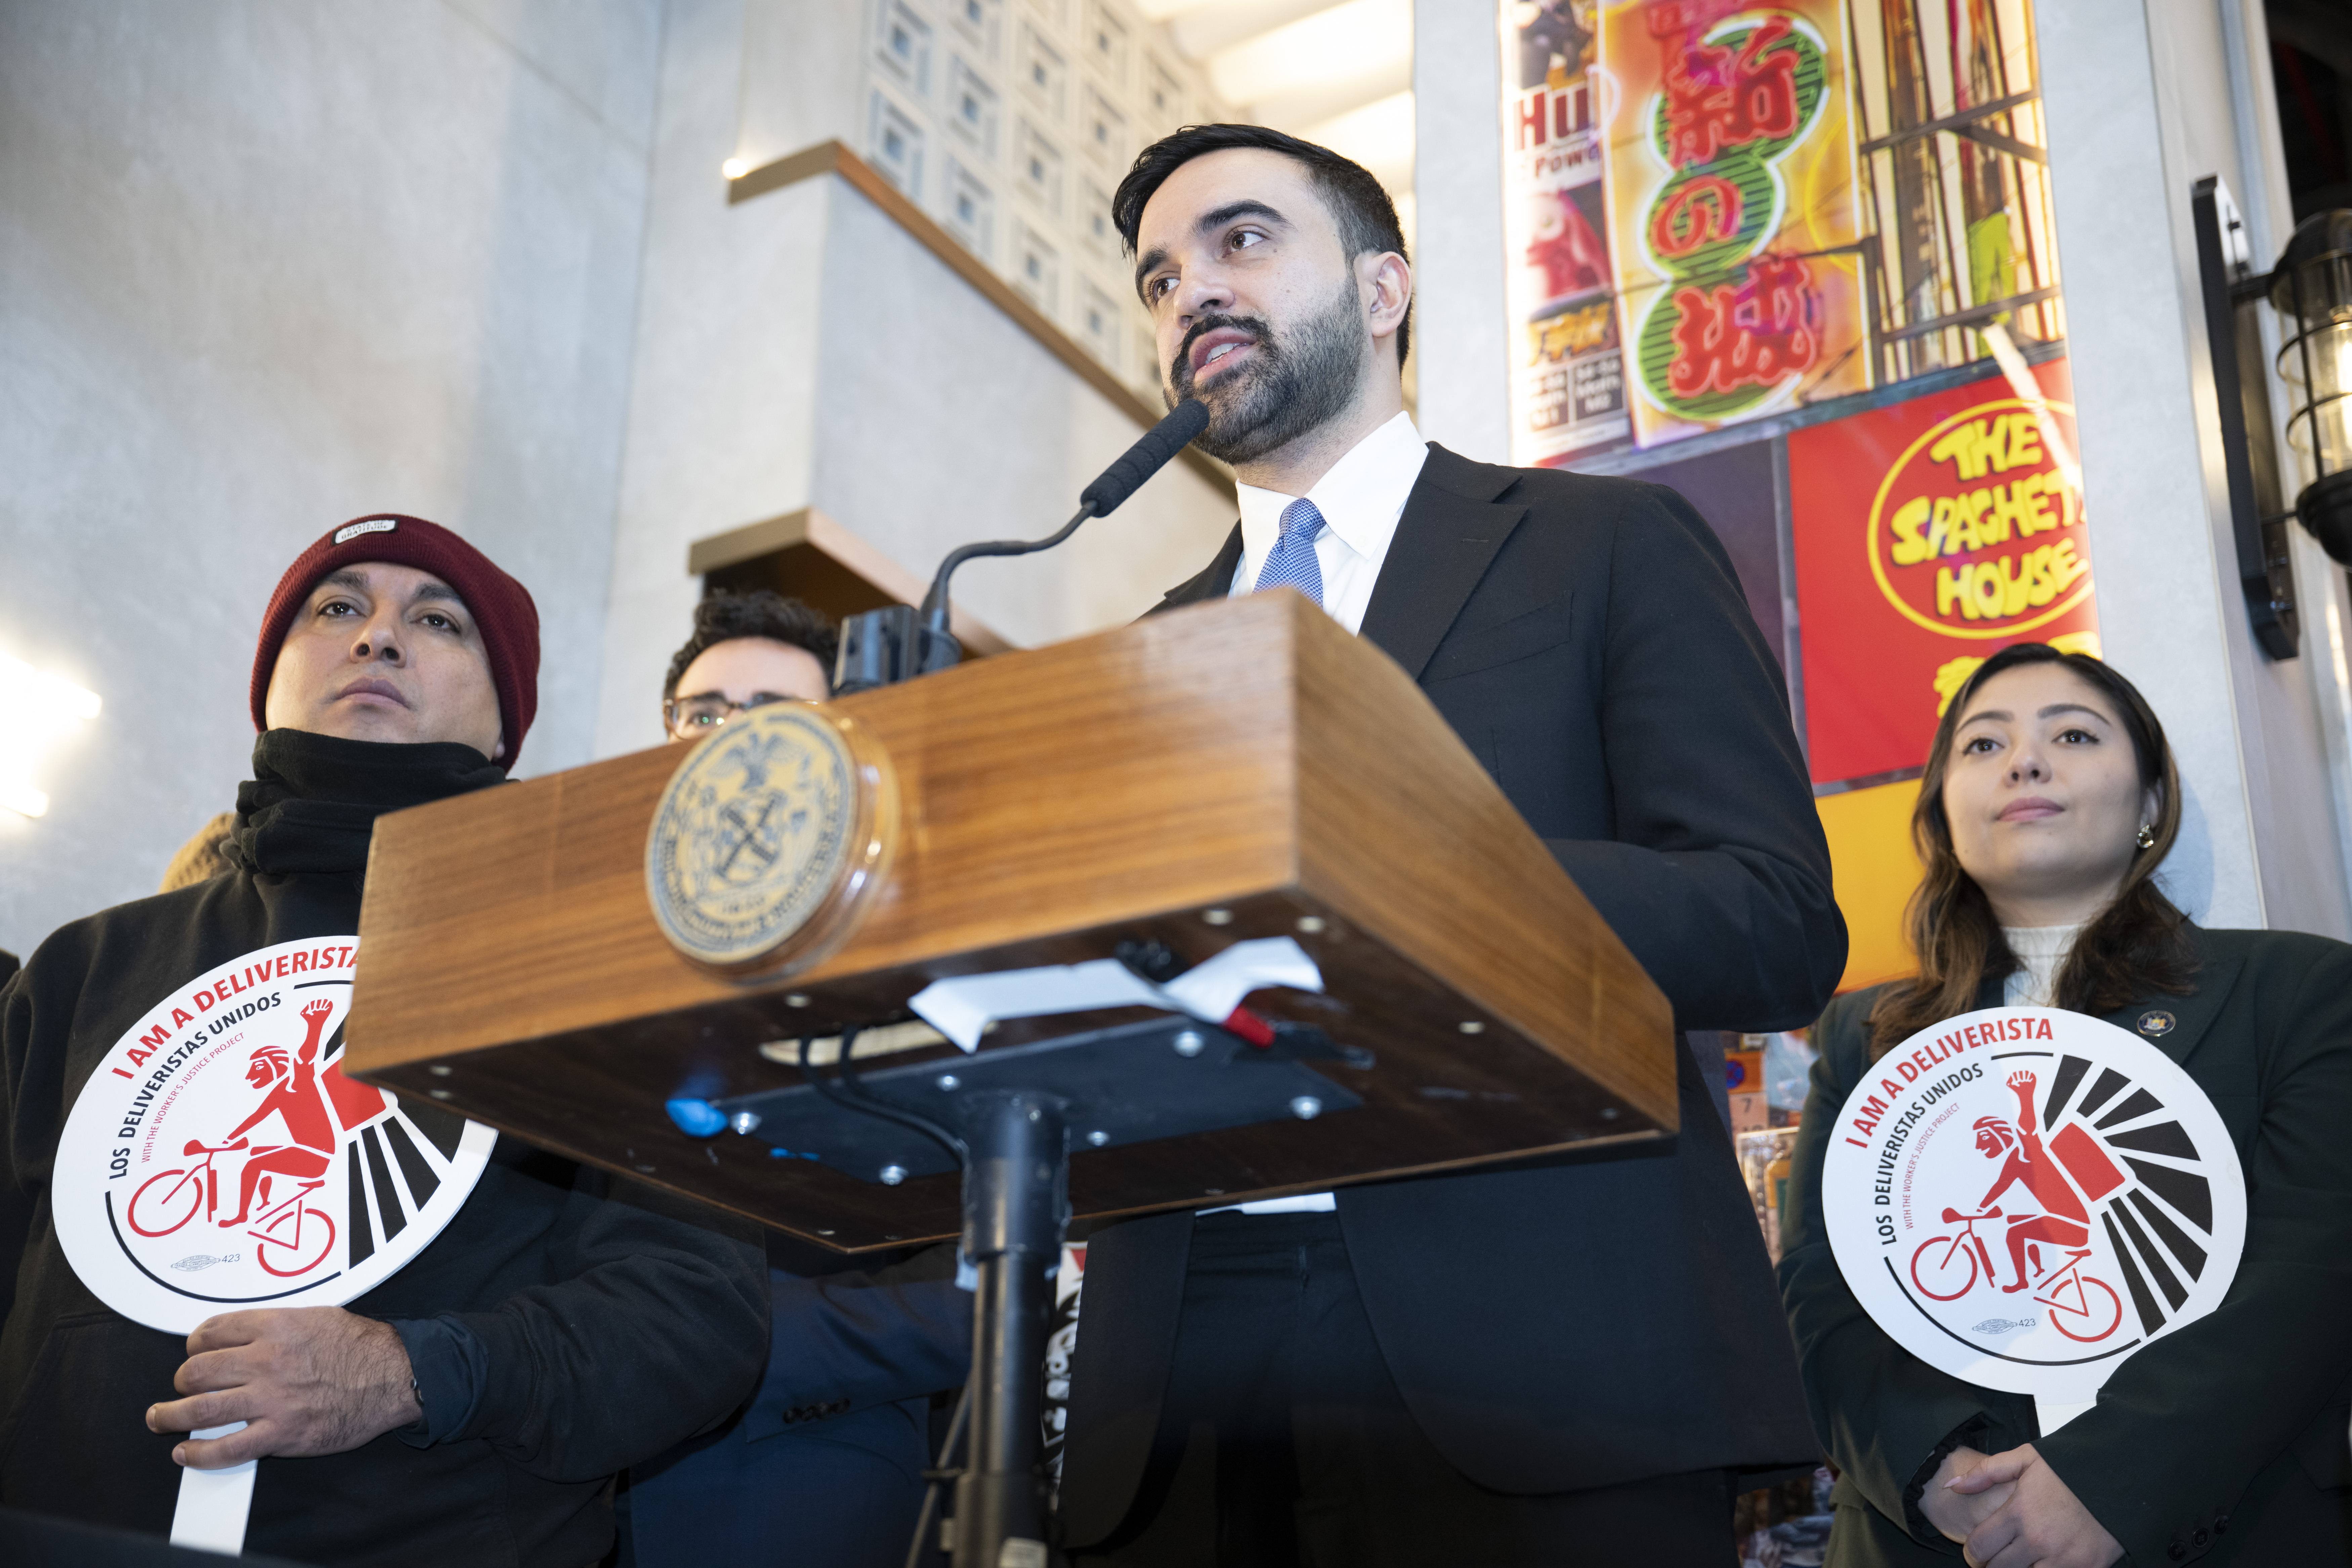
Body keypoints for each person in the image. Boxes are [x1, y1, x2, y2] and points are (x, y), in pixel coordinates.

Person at [1059, 125, 1847, 1565]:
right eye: (1159, 281)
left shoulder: (1601, 545)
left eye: (1240, 243)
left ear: (1383, 291)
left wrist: (1410, 873)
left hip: (1540, 1338)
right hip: (1180, 1369)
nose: (1190, 300)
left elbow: (1772, 921)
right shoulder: (1138, 660)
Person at [0, 514, 770, 1567]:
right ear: (267, 680)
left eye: (438, 619)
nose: (379, 638)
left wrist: (411, 1372)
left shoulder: (604, 965)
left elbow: (696, 1313)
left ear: (508, 726)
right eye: (338, 606)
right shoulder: (83, 970)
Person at [1780, 641, 2352, 1566]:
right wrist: (1939, 1473)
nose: (2025, 761)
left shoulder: (2299, 990)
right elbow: (1818, 1287)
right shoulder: (1861, 1035)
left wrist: (2108, 1478)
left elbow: (2313, 1272)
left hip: (2222, 1524)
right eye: (1982, 745)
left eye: (2073, 734)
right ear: (1944, 815)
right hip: (1923, 1538)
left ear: (2152, 803)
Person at [617, 587, 972, 1568]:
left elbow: (980, 1284)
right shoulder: (581, 962)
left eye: (776, 720)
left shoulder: (923, 981)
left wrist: (699, 1340)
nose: (726, 743)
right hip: (538, 1493)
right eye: (703, 715)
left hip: (795, 1476)